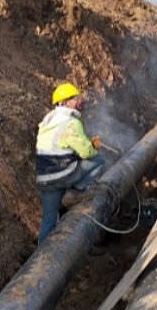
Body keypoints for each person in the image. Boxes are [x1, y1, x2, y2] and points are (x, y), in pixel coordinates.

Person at [35, 82, 107, 245]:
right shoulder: (71, 122)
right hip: (62, 175)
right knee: (100, 160)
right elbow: (86, 152)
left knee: (48, 221)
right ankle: (76, 191)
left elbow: (60, 146)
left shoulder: (48, 120)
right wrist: (93, 146)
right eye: (76, 98)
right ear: (67, 102)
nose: (80, 100)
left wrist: (85, 144)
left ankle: (42, 260)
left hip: (44, 179)